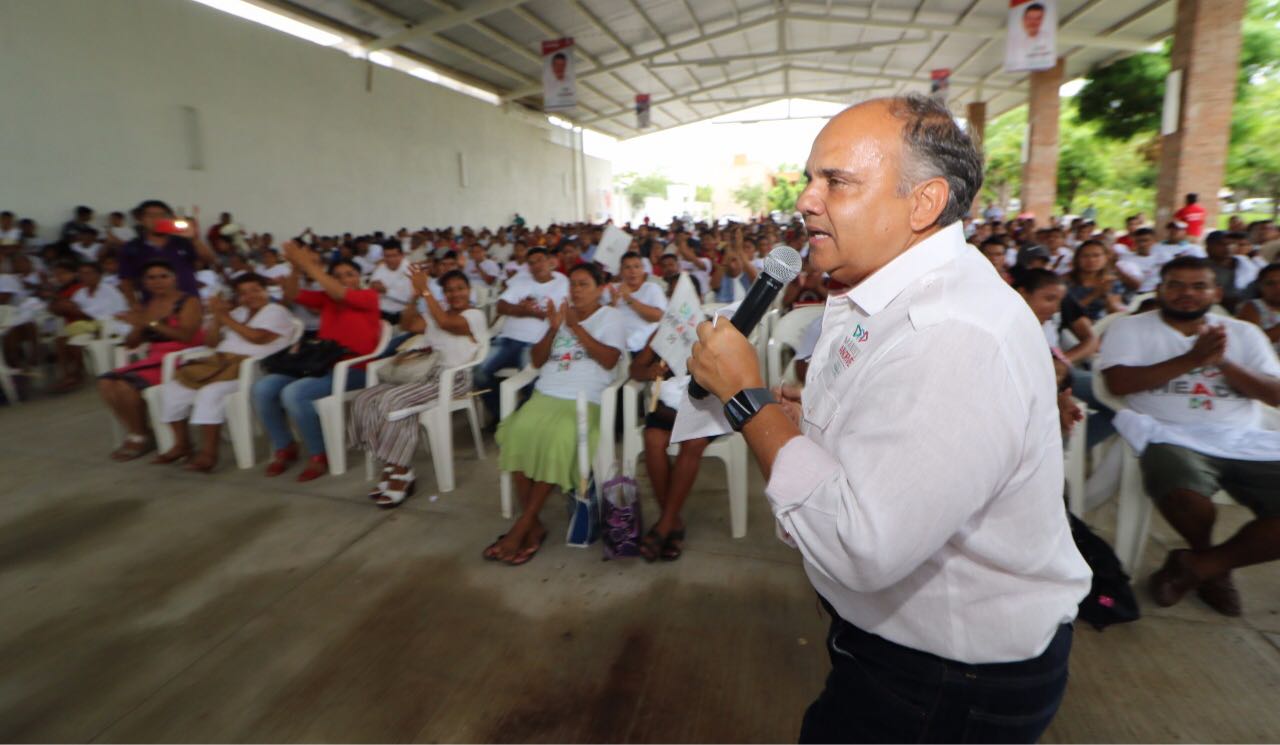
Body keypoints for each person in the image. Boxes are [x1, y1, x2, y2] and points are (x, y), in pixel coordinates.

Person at [687, 95, 1089, 743]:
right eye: (810, 179)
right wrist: (805, 417)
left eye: (836, 181)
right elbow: (887, 425)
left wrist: (747, 400)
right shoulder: (890, 290)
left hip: (946, 680)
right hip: (902, 655)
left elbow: (861, 541)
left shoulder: (953, 332)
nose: (807, 200)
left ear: (924, 203)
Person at [1098, 256, 1280, 617]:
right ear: (1160, 289)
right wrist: (1193, 359)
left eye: (1199, 286)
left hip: (1243, 439)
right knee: (1183, 492)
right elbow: (1118, 384)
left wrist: (1223, 363)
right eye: (1176, 285)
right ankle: (1212, 565)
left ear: (1216, 291)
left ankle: (1200, 567)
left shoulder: (1244, 333)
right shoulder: (1131, 328)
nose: (1187, 294)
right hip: (1170, 435)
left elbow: (1274, 395)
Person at [487, 263, 625, 565]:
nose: (575, 290)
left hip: (584, 398)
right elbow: (536, 362)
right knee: (515, 433)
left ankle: (525, 523)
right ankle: (533, 525)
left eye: (584, 284)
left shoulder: (610, 317)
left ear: (601, 288)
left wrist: (575, 326)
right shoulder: (561, 316)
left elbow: (609, 359)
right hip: (547, 393)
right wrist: (554, 327)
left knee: (560, 438)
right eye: (573, 284)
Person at [349, 268, 486, 506]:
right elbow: (408, 324)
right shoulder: (436, 312)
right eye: (449, 290)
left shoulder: (474, 315)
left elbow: (446, 323)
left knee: (393, 401)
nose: (455, 294)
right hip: (423, 374)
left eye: (460, 288)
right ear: (443, 293)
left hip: (451, 379)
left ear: (469, 290)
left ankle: (400, 472)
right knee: (364, 398)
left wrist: (425, 290)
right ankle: (391, 464)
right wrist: (414, 296)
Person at [253, 242, 382, 481]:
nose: (343, 279)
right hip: (318, 364)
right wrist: (295, 268)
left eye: (349, 274)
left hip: (354, 369)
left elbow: (337, 291)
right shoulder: (327, 299)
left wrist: (308, 265)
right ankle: (285, 446)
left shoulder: (367, 296)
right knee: (263, 388)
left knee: (294, 394)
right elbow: (291, 295)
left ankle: (319, 454)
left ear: (359, 277)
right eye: (338, 275)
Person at [155, 274, 296, 472]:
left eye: (255, 290)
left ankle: (209, 454)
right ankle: (182, 444)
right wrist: (216, 320)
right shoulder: (238, 312)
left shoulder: (276, 310)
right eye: (243, 293)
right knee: (173, 389)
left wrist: (225, 318)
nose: (250, 296)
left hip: (253, 370)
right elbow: (211, 343)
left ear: (266, 290)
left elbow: (258, 338)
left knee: (210, 393)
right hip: (222, 365)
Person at [97, 261, 204, 461]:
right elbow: (132, 344)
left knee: (124, 386)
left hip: (181, 358)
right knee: (105, 382)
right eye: (151, 278)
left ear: (174, 278)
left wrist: (151, 323)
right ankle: (139, 430)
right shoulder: (149, 305)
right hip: (155, 358)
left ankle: (139, 437)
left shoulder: (188, 302)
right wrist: (137, 326)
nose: (158, 281)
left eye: (163, 276)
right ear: (145, 282)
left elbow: (186, 336)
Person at [474, 247, 569, 419]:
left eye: (540, 260)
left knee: (532, 381)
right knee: (478, 371)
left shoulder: (563, 283)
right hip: (507, 340)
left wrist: (522, 310)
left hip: (536, 343)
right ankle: (503, 415)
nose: (536, 265)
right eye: (531, 263)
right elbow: (501, 306)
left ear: (550, 262)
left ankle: (528, 417)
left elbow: (562, 315)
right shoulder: (521, 281)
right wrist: (527, 311)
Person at [48, 262, 129, 390]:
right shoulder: (80, 293)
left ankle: (76, 375)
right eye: (82, 274)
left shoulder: (109, 290)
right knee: (63, 339)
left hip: (111, 325)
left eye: (88, 273)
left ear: (98, 275)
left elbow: (118, 312)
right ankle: (70, 375)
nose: (85, 276)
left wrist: (85, 315)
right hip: (90, 325)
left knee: (75, 339)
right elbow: (73, 309)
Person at [117, 200, 217, 304]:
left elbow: (210, 260)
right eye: (150, 215)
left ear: (169, 219)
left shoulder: (183, 242)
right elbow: (126, 281)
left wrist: (194, 239)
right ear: (141, 220)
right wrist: (135, 306)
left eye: (162, 215)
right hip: (154, 307)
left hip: (189, 305)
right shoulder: (132, 247)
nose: (157, 219)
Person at [609, 251, 667, 352]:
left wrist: (628, 298)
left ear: (643, 270)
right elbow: (601, 318)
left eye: (637, 267)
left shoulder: (652, 288)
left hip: (639, 347)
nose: (633, 271)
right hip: (613, 343)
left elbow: (657, 317)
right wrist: (612, 304)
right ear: (621, 271)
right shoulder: (612, 289)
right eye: (627, 267)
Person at [1066, 239, 1127, 321]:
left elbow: (1115, 311)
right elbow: (1065, 312)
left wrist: (1106, 295)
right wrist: (1095, 294)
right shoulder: (1064, 281)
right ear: (1077, 259)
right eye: (1085, 256)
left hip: (1101, 324)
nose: (1091, 260)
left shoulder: (1111, 281)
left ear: (1106, 258)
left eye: (1096, 255)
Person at [1204, 230, 1260, 314]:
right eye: (1221, 244)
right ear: (1208, 247)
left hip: (1248, 306)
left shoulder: (1247, 264)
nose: (1228, 247)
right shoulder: (1200, 267)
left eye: (1231, 244)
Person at [1237, 263, 1280, 355]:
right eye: (1270, 283)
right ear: (1260, 286)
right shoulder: (1252, 307)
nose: (1278, 288)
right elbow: (1249, 343)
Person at [368, 243, 413, 323]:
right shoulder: (381, 268)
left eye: (394, 256)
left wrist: (386, 291)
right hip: (380, 313)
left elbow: (409, 299)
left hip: (401, 315)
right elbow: (373, 288)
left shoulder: (410, 270)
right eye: (387, 256)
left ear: (402, 255)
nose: (390, 259)